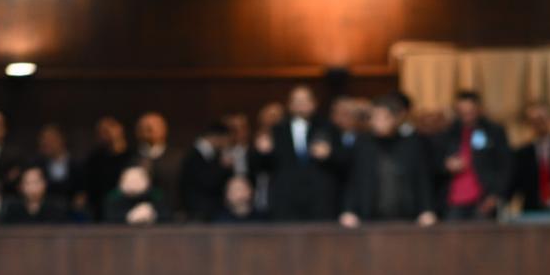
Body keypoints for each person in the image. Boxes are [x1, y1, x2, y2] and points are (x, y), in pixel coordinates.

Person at [339, 95, 435, 227]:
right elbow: (353, 179)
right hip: (369, 215)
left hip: (406, 215)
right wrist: (349, 210)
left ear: (396, 119)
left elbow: (421, 179)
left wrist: (426, 209)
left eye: (384, 117)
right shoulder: (362, 143)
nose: (378, 122)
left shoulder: (411, 144)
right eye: (375, 117)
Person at [251, 85, 341, 221]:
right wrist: (263, 152)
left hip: (320, 200)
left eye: (304, 100)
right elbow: (262, 168)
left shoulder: (328, 128)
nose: (301, 104)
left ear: (314, 103)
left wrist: (329, 155)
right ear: (289, 105)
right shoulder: (277, 130)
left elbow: (344, 162)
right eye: (296, 101)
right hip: (286, 200)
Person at [435, 90, 511, 220]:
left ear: (479, 109)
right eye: (462, 112)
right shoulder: (447, 133)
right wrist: (447, 165)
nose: (467, 116)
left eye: (470, 112)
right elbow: (435, 163)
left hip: (483, 198)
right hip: (453, 201)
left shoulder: (494, 132)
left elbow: (506, 166)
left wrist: (496, 194)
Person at [179, 121, 233, 222]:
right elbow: (206, 181)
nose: (226, 144)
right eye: (226, 140)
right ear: (217, 137)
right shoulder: (194, 155)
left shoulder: (211, 154)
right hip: (198, 212)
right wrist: (223, 167)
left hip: (206, 210)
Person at [133, 112, 184, 210]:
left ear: (164, 129)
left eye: (152, 127)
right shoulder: (131, 158)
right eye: (143, 127)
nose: (148, 130)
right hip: (136, 215)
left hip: (170, 213)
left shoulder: (177, 158)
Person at [84, 116, 131, 220]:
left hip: (127, 210)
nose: (106, 135)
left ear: (120, 129)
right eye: (101, 132)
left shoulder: (132, 156)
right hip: (101, 212)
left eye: (108, 130)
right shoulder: (94, 158)